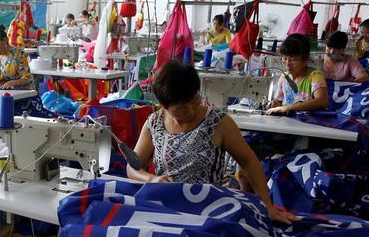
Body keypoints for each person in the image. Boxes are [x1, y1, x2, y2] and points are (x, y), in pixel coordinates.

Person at [127, 60, 297, 225]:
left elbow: (249, 161)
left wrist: (267, 206)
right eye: (182, 109)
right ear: (163, 105)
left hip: (207, 211)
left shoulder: (218, 122)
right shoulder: (154, 123)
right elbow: (132, 167)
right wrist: (152, 179)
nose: (192, 110)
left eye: (195, 101)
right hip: (164, 208)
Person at [266, 34, 328, 115]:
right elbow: (280, 101)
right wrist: (275, 104)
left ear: (305, 59)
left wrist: (289, 107)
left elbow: (322, 101)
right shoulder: (283, 78)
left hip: (307, 123)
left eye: (293, 60)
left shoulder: (315, 76)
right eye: (284, 58)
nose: (287, 64)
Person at [0, 25, 33, 90]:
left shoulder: (18, 54)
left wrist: (13, 83)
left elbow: (28, 78)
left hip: (20, 93)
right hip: (2, 91)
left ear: (5, 40)